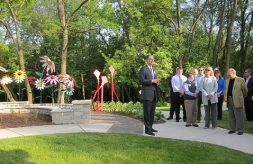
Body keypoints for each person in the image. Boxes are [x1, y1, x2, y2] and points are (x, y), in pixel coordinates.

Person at [139, 55, 160, 136]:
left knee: (152, 112)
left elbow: (154, 81)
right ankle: (147, 129)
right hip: (147, 94)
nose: (152, 60)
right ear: (147, 60)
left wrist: (157, 82)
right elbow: (141, 81)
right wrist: (152, 81)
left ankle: (150, 127)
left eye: (153, 59)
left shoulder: (153, 69)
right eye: (150, 59)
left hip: (153, 94)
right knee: (147, 112)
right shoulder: (143, 69)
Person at [225, 68, 247, 135]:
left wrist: (241, 97)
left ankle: (240, 130)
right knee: (231, 115)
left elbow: (245, 90)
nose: (227, 73)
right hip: (229, 99)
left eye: (228, 72)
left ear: (233, 72)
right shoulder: (227, 80)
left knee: (239, 116)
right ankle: (232, 129)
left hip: (238, 100)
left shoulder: (241, 79)